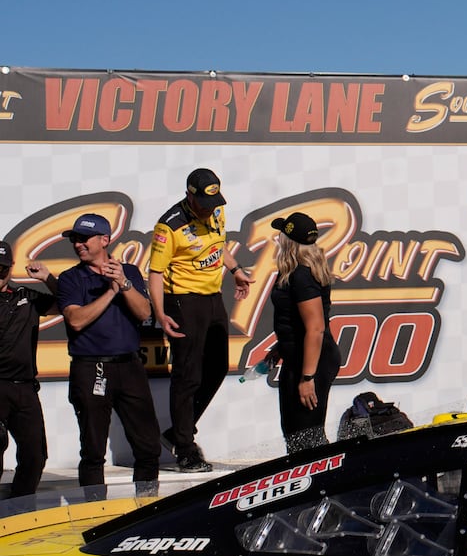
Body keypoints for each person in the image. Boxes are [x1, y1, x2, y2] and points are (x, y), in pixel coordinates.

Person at [148, 167, 252, 473]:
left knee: (218, 367)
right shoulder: (169, 226)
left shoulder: (217, 212)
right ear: (189, 195)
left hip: (213, 297)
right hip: (183, 301)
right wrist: (160, 313)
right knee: (187, 374)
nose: (210, 210)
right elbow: (154, 274)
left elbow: (219, 247)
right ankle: (184, 447)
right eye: (204, 204)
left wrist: (236, 271)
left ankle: (177, 432)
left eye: (214, 203)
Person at [57, 213, 161, 498]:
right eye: (74, 239)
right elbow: (76, 320)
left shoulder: (129, 272)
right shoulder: (70, 278)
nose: (78, 244)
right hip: (91, 367)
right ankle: (95, 515)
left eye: (84, 238)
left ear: (104, 240)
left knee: (148, 445)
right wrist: (110, 292)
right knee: (93, 449)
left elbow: (144, 313)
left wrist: (123, 284)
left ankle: (147, 507)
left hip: (129, 365)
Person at [269, 211, 342, 453]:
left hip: (312, 363)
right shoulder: (295, 270)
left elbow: (316, 328)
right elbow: (296, 322)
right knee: (296, 436)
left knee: (306, 439)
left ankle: (325, 487)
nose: (278, 239)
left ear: (289, 241)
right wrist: (282, 347)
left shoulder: (302, 275)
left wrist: (307, 378)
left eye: (282, 235)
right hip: (300, 357)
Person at [0, 242, 58, 498]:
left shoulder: (27, 296)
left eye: (2, 270)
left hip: (24, 387)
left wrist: (48, 278)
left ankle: (19, 508)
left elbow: (67, 304)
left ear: (11, 268)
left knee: (35, 455)